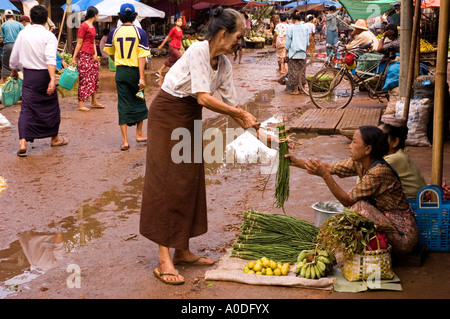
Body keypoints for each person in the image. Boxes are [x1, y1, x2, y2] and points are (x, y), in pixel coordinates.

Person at [140, 7, 266, 285]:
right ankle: (164, 259)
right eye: (239, 35)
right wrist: (241, 115)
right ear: (222, 33)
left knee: (189, 180)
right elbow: (204, 98)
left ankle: (182, 250)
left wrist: (265, 135)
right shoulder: (198, 50)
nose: (240, 42)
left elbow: (234, 108)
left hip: (188, 117)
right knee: (167, 181)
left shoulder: (224, 64)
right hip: (167, 114)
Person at [286, 126, 419, 254]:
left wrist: (325, 176)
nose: (350, 146)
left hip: (403, 237)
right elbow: (329, 167)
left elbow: (347, 200)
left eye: (354, 142)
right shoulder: (360, 163)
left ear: (367, 149)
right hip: (386, 222)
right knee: (356, 210)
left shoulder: (379, 173)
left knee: (359, 207)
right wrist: (296, 162)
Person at [10, 5, 68, 157]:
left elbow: (14, 57)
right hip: (44, 75)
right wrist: (51, 79)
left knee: (27, 110)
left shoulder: (23, 33)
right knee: (52, 108)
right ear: (45, 19)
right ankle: (54, 138)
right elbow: (50, 59)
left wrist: (14, 69)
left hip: (29, 76)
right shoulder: (48, 36)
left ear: (31, 17)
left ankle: (22, 142)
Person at [104, 3, 149, 151]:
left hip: (121, 71)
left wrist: (117, 60)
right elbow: (142, 57)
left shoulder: (114, 32)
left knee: (123, 104)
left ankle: (124, 141)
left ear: (121, 16)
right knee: (139, 101)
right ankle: (139, 134)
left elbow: (110, 52)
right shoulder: (140, 33)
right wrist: (142, 78)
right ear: (134, 16)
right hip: (135, 72)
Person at [379, 115, 427, 200]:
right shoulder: (400, 154)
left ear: (395, 142)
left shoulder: (394, 159)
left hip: (410, 203)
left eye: (381, 137)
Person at [71, 6, 103, 111]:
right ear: (95, 15)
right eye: (97, 14)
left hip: (91, 55)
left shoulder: (92, 26)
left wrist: (95, 54)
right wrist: (73, 57)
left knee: (95, 77)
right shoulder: (83, 26)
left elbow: (93, 41)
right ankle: (80, 104)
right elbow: (79, 43)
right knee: (85, 79)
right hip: (84, 54)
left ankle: (94, 101)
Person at [284, 11, 309, 95]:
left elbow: (288, 42)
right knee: (302, 71)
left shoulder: (291, 28)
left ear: (293, 19)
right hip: (302, 53)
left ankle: (296, 90)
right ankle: (303, 89)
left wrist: (285, 53)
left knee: (294, 72)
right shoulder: (305, 27)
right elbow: (307, 42)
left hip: (293, 53)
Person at [156, 16, 183, 83]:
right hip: (172, 47)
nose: (180, 22)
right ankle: (174, 74)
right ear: (176, 22)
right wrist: (161, 45)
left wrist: (181, 48)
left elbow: (180, 40)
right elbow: (168, 37)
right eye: (179, 21)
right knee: (180, 59)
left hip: (177, 47)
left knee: (171, 60)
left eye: (181, 21)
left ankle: (160, 70)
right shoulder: (173, 29)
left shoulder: (181, 30)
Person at [1, 10, 24, 82]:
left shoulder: (3, 25)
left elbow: (3, 38)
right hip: (18, 45)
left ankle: (3, 80)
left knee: (5, 64)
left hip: (8, 45)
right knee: (20, 63)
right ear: (13, 16)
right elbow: (24, 35)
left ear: (5, 16)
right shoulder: (19, 24)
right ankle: (21, 79)